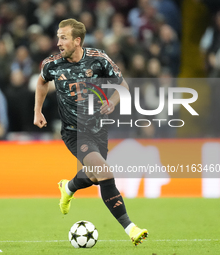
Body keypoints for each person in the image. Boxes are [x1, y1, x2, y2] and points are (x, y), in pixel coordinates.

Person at [34, 18, 148, 246]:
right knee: (104, 172)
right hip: (74, 132)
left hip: (98, 130)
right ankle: (130, 228)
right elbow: (42, 82)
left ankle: (68, 187)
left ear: (77, 41)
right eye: (58, 37)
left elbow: (122, 85)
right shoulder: (52, 64)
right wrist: (37, 111)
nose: (58, 42)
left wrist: (113, 101)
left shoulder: (99, 59)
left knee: (95, 176)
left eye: (63, 37)